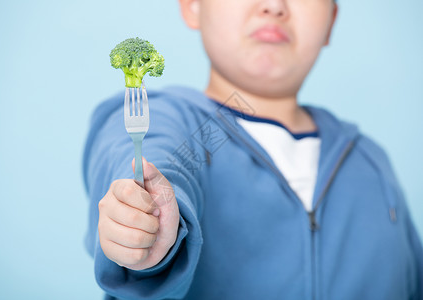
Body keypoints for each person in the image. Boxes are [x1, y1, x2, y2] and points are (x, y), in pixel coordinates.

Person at [82, 0, 423, 299]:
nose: (274, 5)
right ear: (192, 5)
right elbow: (154, 161)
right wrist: (151, 227)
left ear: (331, 22)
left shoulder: (372, 162)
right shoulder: (170, 122)